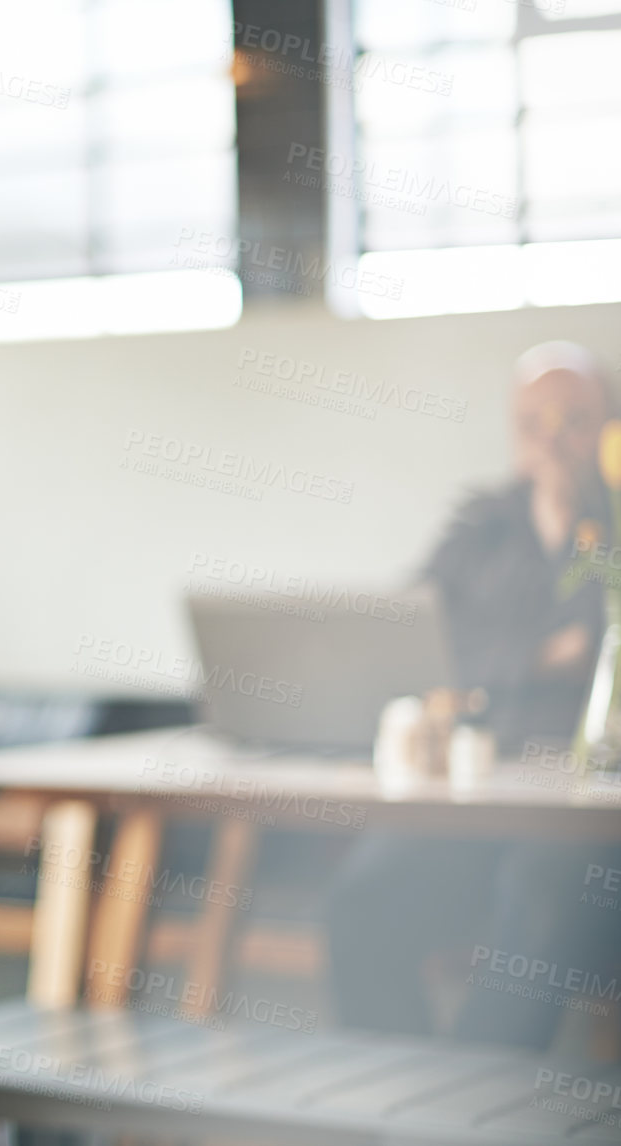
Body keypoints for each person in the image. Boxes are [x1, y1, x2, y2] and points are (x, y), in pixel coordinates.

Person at [325, 342, 621, 1049]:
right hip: (476, 795)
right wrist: (538, 656)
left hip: (586, 819)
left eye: (573, 419)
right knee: (361, 899)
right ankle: (402, 1104)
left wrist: (495, 660)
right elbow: (413, 635)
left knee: (543, 896)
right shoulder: (480, 526)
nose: (551, 438)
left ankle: (469, 1114)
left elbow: (593, 640)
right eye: (532, 423)